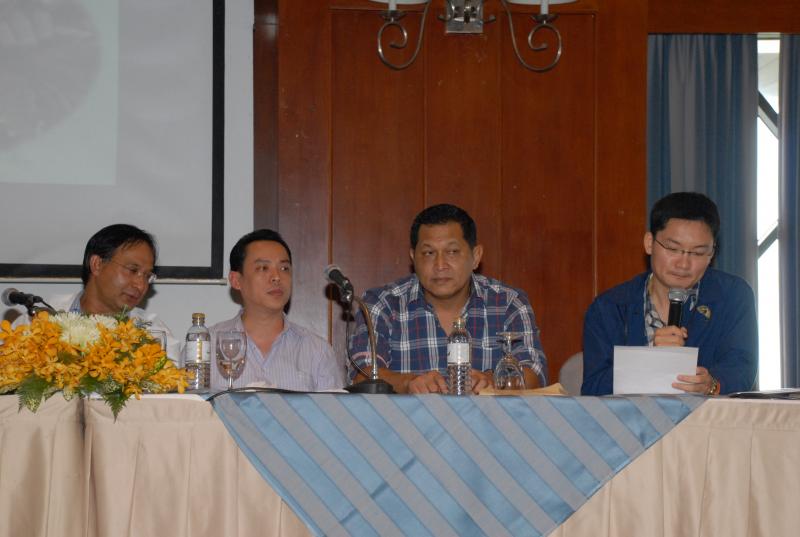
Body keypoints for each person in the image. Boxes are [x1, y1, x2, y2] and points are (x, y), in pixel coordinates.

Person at [348, 203, 547, 394]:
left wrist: (494, 381)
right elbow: (362, 375)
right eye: (428, 253)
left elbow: (535, 374)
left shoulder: (508, 303)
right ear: (413, 258)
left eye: (452, 252)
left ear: (476, 256)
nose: (440, 265)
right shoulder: (383, 304)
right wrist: (408, 383)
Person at [581, 192, 758, 396]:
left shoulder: (733, 296)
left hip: (707, 415)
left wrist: (712, 385)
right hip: (633, 417)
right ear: (649, 243)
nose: (683, 264)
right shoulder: (609, 308)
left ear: (712, 253)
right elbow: (593, 389)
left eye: (698, 253)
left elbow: (741, 370)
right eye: (673, 249)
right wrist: (650, 361)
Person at [13, 223, 180, 361]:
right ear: (97, 264)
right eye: (132, 270)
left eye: (147, 276)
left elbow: (169, 384)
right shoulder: (37, 320)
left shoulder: (153, 334)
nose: (140, 285)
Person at [209, 229, 346, 391]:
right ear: (236, 280)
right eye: (263, 268)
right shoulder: (207, 345)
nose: (276, 277)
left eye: (284, 268)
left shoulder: (317, 351)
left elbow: (333, 407)